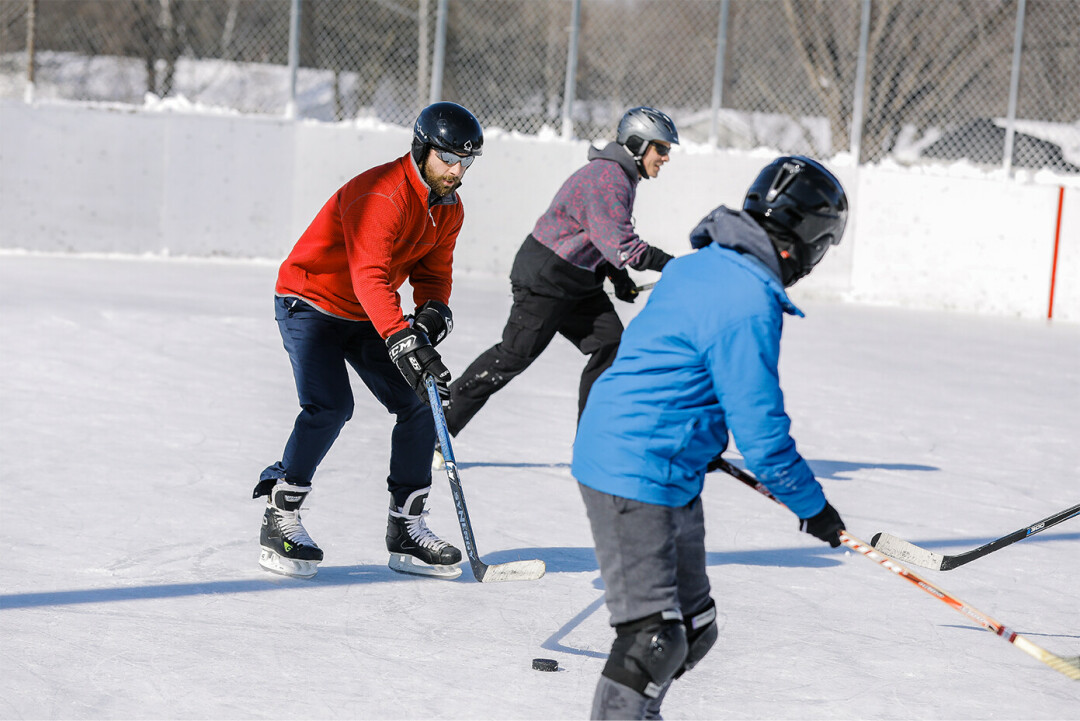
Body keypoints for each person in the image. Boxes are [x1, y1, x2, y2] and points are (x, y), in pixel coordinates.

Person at [572, 156, 850, 719]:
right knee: (654, 638)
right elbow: (762, 431)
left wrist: (697, 430)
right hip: (635, 463)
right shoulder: (747, 299)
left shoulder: (701, 265)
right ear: (808, 238)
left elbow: (673, 361)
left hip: (666, 458)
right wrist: (812, 507)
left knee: (694, 629)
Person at [252, 101, 484, 580]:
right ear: (422, 150)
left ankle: (406, 528)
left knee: (421, 403)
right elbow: (369, 275)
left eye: (465, 163)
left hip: (364, 313)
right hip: (310, 300)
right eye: (447, 159)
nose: (456, 172)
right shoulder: (382, 194)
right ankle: (282, 512)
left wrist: (433, 312)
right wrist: (402, 340)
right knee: (331, 405)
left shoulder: (449, 207)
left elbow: (434, 272)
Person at [441, 106, 679, 442]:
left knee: (610, 344)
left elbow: (601, 235)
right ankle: (437, 426)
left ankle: (592, 440)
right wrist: (676, 266)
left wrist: (618, 277)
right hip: (547, 277)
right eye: (662, 148)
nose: (666, 157)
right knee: (513, 356)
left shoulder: (620, 176)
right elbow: (623, 246)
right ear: (638, 145)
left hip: (579, 281)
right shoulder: (608, 178)